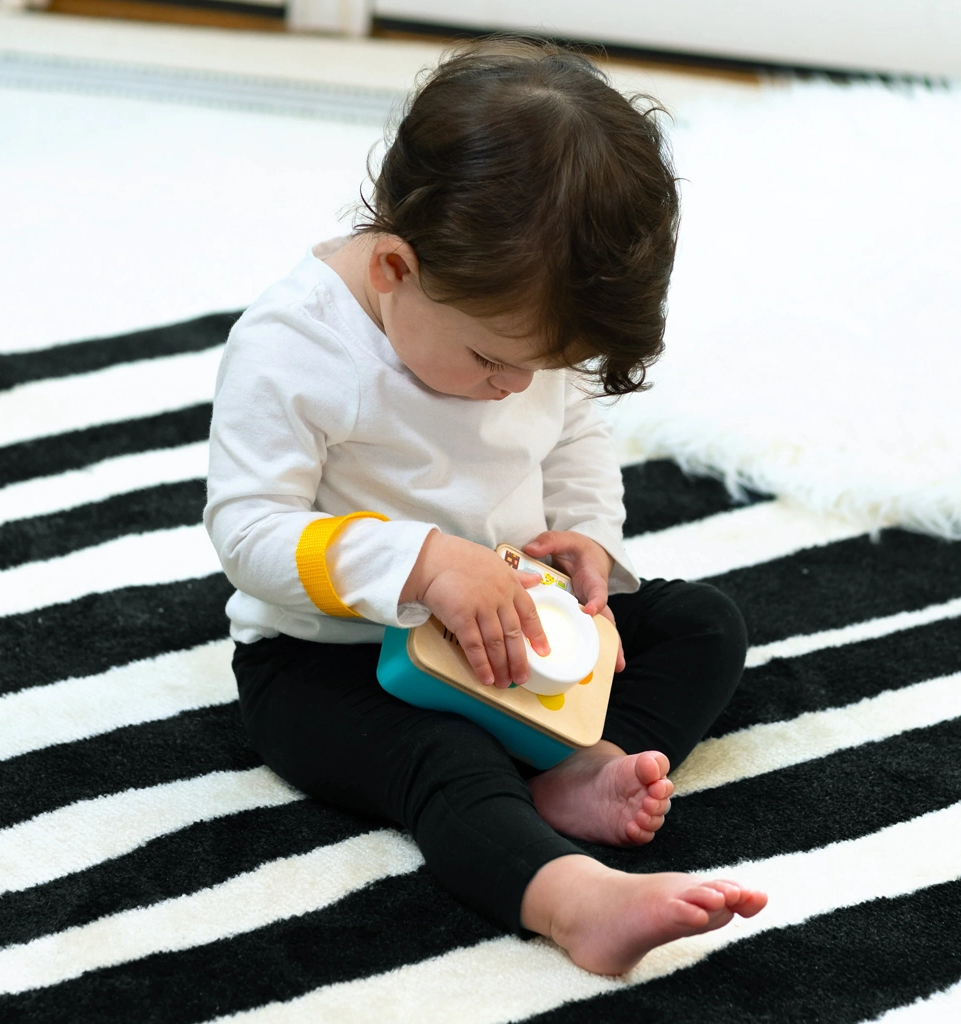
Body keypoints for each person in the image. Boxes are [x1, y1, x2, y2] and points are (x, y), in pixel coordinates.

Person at [205, 38, 766, 976]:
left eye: (543, 367)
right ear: (394, 268)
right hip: (336, 660)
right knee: (444, 759)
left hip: (514, 634)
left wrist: (589, 540)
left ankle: (580, 764)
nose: (515, 389)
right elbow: (249, 533)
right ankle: (572, 899)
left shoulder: (517, 325)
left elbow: (576, 435)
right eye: (493, 362)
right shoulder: (296, 348)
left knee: (705, 626)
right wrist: (424, 565)